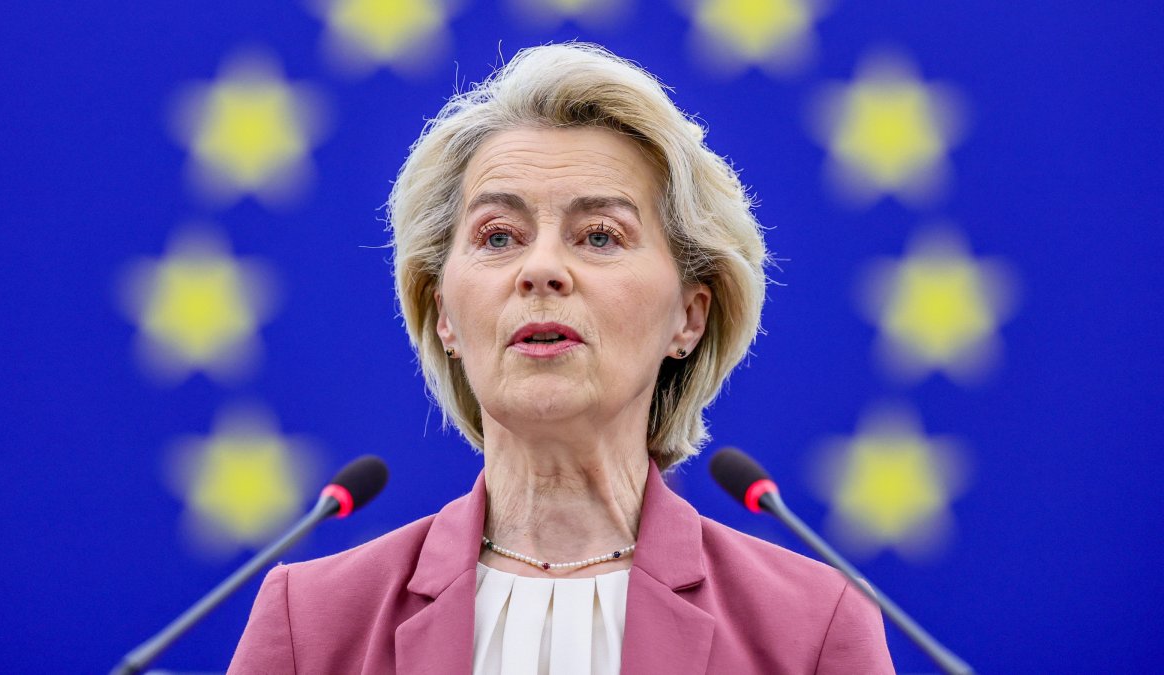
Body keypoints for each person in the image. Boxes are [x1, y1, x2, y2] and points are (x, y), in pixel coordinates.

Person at [229, 42, 893, 674]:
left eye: (599, 235)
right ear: (443, 313)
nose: (541, 268)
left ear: (689, 317)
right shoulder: (311, 621)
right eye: (499, 236)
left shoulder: (811, 627)